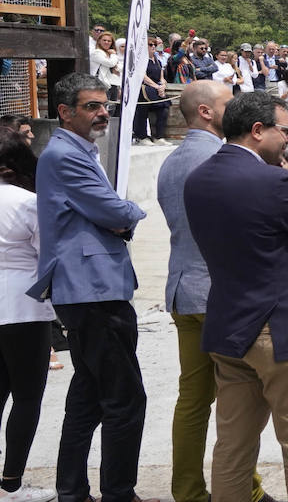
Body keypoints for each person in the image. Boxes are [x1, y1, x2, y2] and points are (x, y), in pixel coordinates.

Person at [183, 91, 288, 501]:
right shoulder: (275, 181)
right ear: (257, 131)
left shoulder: (197, 179)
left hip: (230, 328)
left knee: (233, 448)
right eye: (283, 131)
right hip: (285, 331)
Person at [26, 73, 156, 502]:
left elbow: (106, 214)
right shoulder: (66, 154)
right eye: (92, 106)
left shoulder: (76, 151)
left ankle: (72, 491)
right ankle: (118, 493)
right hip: (94, 291)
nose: (103, 113)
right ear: (64, 112)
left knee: (89, 396)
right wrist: (132, 212)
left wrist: (118, 218)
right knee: (125, 400)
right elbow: (111, 209)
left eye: (105, 105)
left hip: (90, 290)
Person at [156, 81, 278, 502]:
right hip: (221, 294)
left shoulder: (170, 162)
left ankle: (188, 490)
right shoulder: (225, 161)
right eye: (229, 102)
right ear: (207, 112)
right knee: (240, 402)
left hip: (181, 290)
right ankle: (246, 488)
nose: (238, 108)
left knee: (192, 400)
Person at [0, 127, 57, 502]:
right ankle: (12, 482)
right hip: (23, 306)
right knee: (27, 396)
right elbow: (48, 255)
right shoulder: (26, 202)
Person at [132, 35, 170, 146]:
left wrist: (162, 85)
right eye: (150, 45)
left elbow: (161, 75)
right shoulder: (141, 60)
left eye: (155, 44)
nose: (153, 46)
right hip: (144, 89)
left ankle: (159, 136)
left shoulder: (157, 60)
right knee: (142, 113)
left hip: (157, 89)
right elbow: (142, 76)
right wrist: (156, 86)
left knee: (163, 111)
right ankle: (142, 136)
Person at [90, 31, 121, 97]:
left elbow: (118, 68)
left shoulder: (110, 53)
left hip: (112, 84)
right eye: (104, 40)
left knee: (112, 106)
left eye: (109, 41)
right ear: (99, 41)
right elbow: (110, 63)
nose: (106, 42)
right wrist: (113, 54)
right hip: (100, 84)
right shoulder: (96, 52)